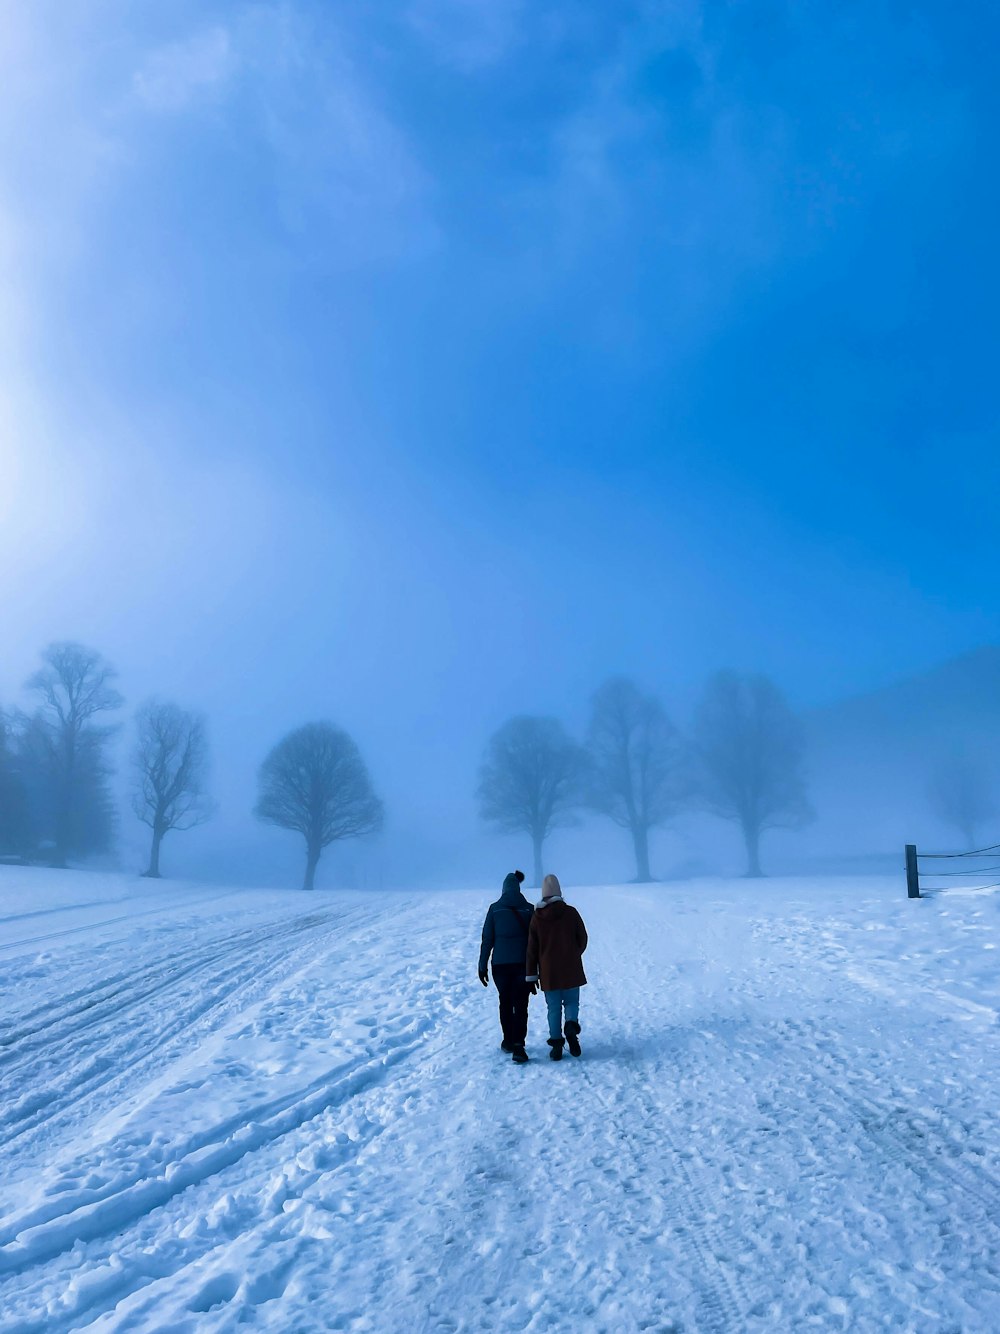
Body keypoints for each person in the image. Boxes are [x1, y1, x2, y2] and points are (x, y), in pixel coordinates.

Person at [525, 873, 587, 1060]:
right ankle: (570, 1025)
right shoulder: (571, 912)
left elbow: (532, 949)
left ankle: (557, 1046)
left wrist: (531, 974)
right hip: (571, 968)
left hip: (548, 971)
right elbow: (582, 938)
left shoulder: (537, 917)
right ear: (559, 892)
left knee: (553, 1008)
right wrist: (574, 953)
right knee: (571, 1002)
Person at [478, 870, 534, 1064]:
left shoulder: (494, 909)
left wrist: (482, 965)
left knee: (505, 1001)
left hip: (500, 965)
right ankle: (519, 1044)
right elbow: (535, 941)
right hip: (523, 965)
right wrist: (536, 970)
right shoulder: (529, 909)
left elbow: (487, 939)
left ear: (503, 889)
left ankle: (508, 1040)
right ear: (518, 889)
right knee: (521, 1004)